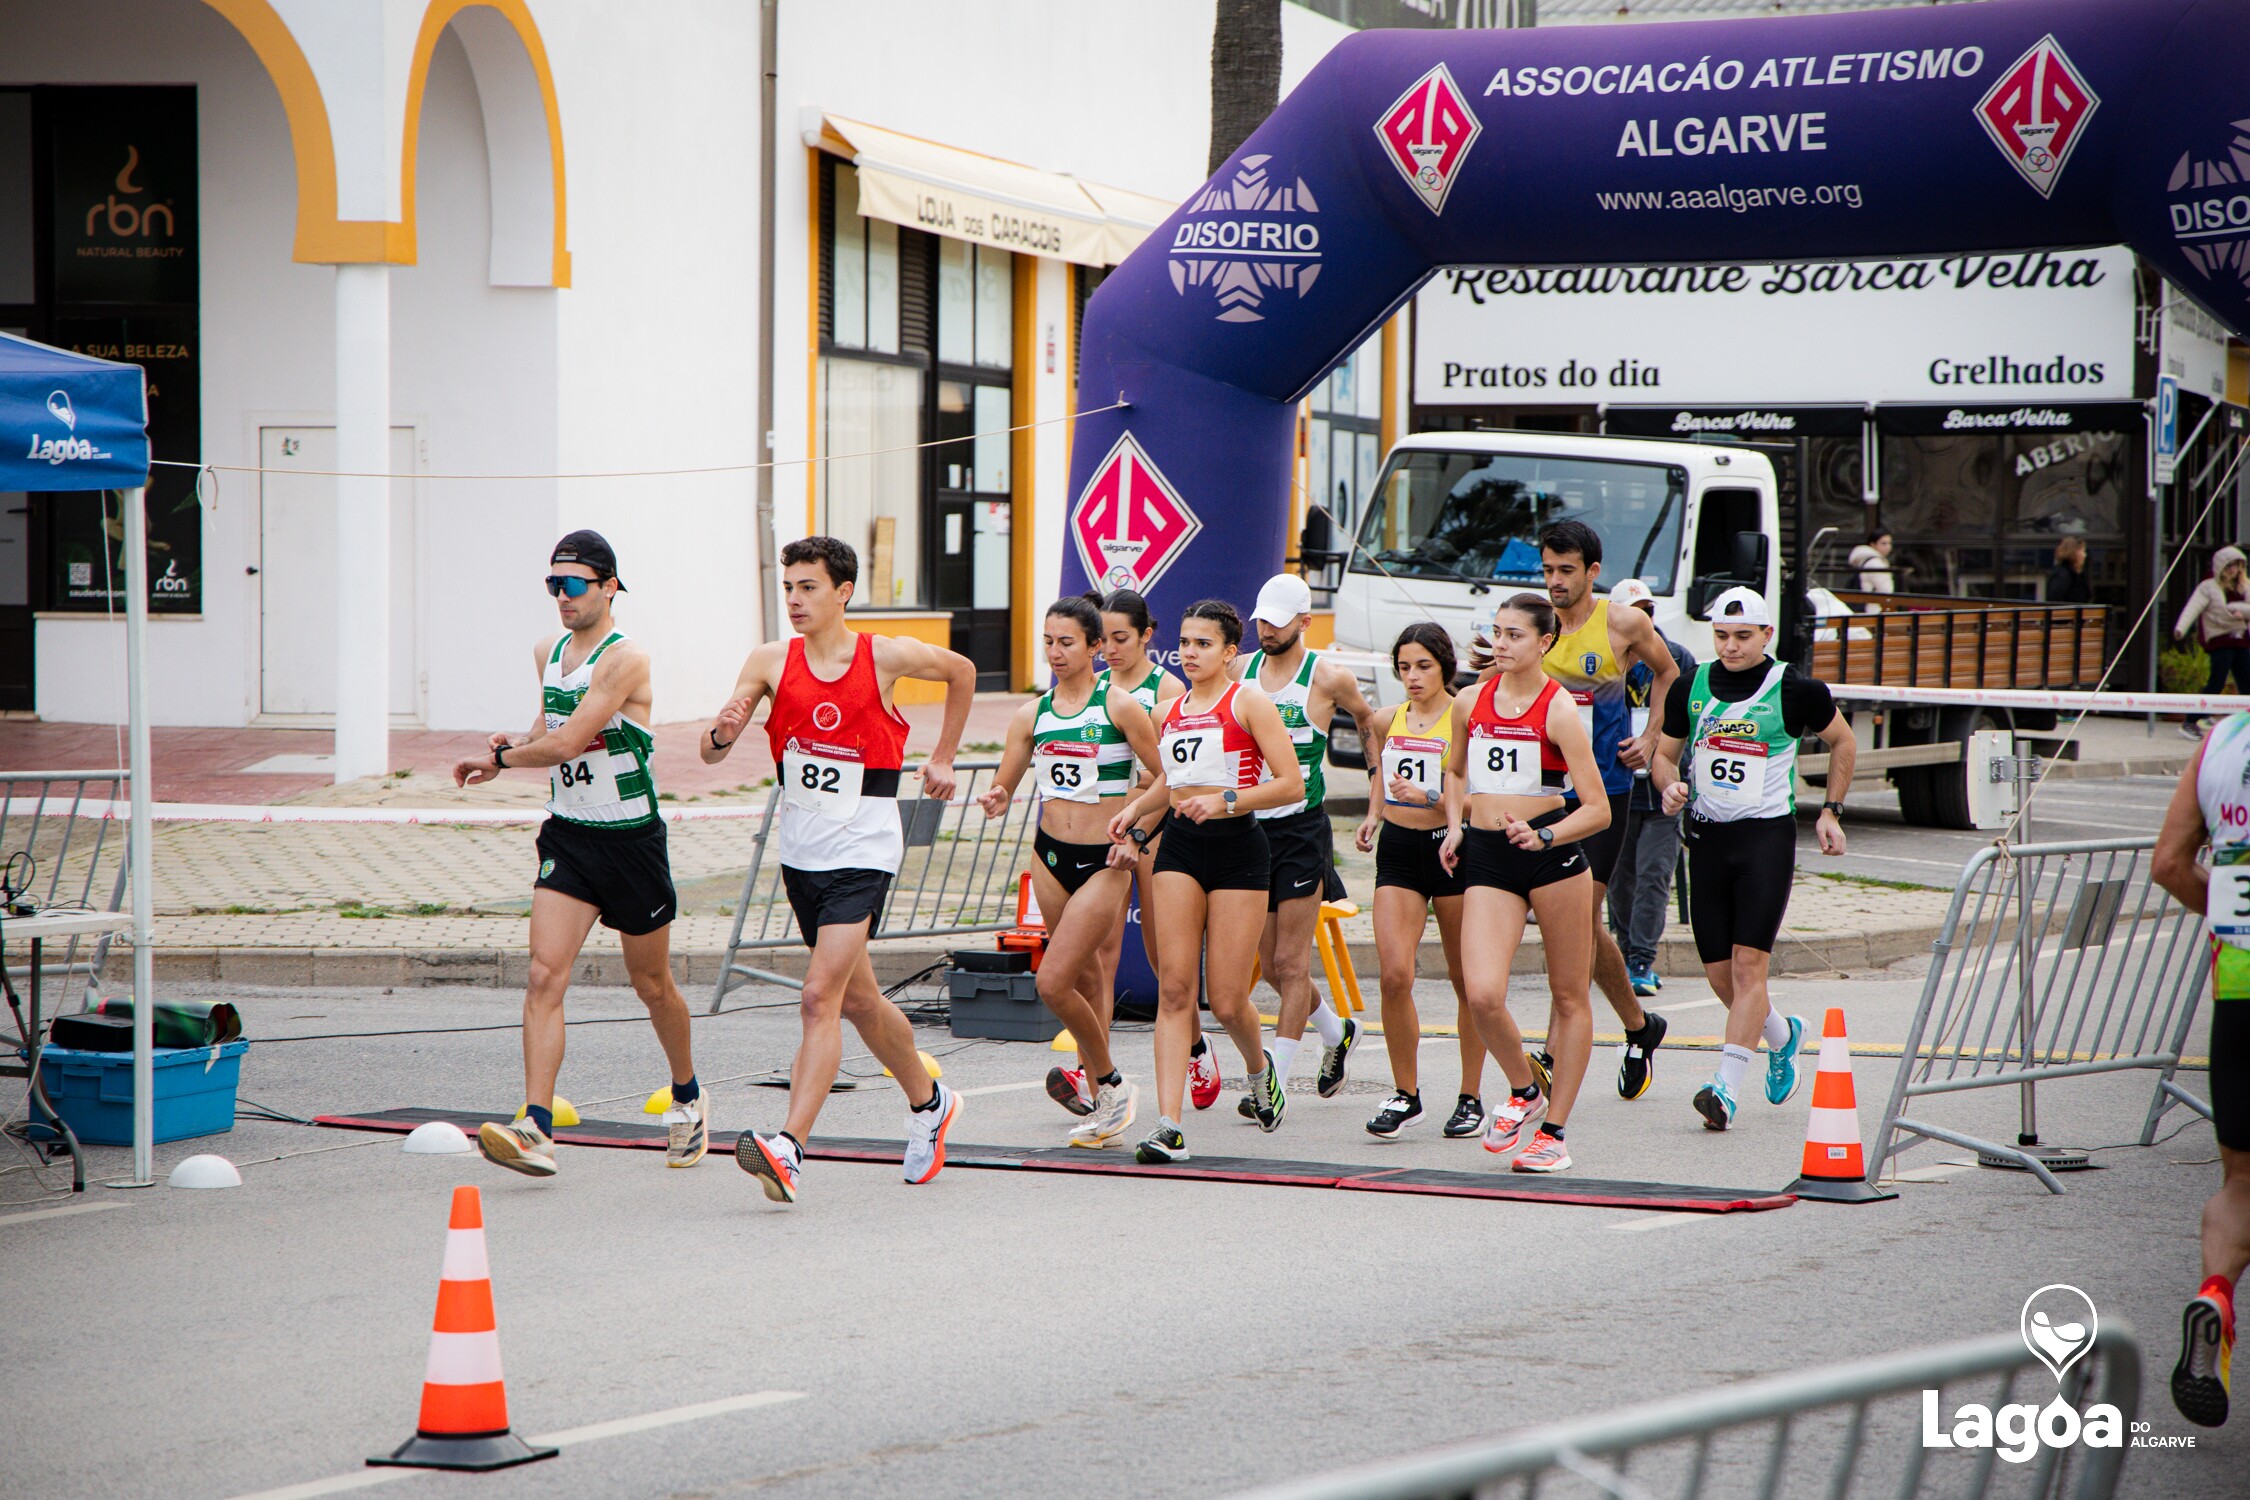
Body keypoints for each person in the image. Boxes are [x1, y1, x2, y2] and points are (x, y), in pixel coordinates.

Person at [707, 536, 977, 1204]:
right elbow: (713, 755)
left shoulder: (885, 655)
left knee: (817, 997)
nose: (794, 600)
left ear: (843, 591)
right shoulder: (770, 660)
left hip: (865, 847)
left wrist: (942, 757)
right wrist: (723, 728)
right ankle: (930, 1101)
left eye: (808, 587)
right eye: (788, 587)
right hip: (802, 852)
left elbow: (964, 671)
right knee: (858, 1000)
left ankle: (790, 1148)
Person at [457, 531, 706, 1179]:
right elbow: (547, 726)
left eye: (572, 586)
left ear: (608, 587)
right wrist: (502, 752)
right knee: (544, 974)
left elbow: (569, 743)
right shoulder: (549, 651)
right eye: (552, 586)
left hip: (631, 842)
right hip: (570, 835)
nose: (560, 598)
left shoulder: (627, 661)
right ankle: (535, 1125)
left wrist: (512, 759)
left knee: (652, 985)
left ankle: (687, 1095)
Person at [1650, 586, 1856, 1132]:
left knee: (1748, 969)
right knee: (1722, 976)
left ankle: (1725, 1089)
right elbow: (1664, 757)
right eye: (1721, 636)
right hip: (1709, 841)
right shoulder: (1690, 686)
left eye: (1743, 636)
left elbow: (1844, 742)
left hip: (1765, 839)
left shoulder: (1794, 687)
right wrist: (1669, 786)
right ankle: (1783, 1037)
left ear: (1766, 635)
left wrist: (1831, 811)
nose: (1731, 646)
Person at [1107, 600, 1304, 1164]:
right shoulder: (1168, 710)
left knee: (1227, 996)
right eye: (1186, 643)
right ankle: (1169, 1125)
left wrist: (1228, 800)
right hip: (1181, 851)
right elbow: (1171, 780)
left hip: (1240, 849)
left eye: (1204, 645)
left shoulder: (1249, 702)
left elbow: (1290, 784)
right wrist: (1135, 813)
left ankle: (1259, 1071)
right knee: (1174, 989)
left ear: (1228, 652)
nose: (1191, 654)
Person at [977, 598, 1161, 1147]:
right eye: (1049, 641)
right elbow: (1006, 783)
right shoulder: (1031, 715)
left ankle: (1111, 1084)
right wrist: (995, 795)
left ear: (1095, 647)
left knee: (1051, 980)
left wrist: (1136, 834)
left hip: (1105, 859)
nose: (1056, 653)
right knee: (1084, 978)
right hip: (1050, 855)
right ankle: (1100, 1094)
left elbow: (1167, 779)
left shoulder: (1122, 707)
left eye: (1068, 642)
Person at [1440, 593, 1610, 1173]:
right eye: (1496, 633)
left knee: (1569, 997)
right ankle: (1524, 1089)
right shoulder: (1469, 700)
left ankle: (1555, 1134)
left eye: (1515, 635)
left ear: (1544, 642)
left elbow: (1597, 808)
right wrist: (1456, 823)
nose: (1502, 644)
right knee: (1482, 993)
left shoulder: (1559, 710)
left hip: (1550, 857)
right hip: (1489, 855)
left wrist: (1544, 838)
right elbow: (1458, 769)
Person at [1525, 519, 1679, 1099]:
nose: (1555, 582)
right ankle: (1641, 1027)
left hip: (1604, 794)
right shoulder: (1535, 624)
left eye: (1566, 571)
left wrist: (1652, 738)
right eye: (1547, 571)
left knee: (1572, 922)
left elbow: (1668, 674)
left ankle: (1545, 1058)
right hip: (1543, 792)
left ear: (1592, 572)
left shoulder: (1621, 622)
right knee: (1584, 926)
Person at [1235, 572, 1379, 1113]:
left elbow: (1367, 723)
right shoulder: (1241, 671)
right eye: (1261, 621)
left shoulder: (1328, 677)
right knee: (1271, 967)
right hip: (1251, 830)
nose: (1266, 630)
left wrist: (1375, 802)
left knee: (1292, 965)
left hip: (1301, 828)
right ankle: (1337, 1030)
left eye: (1276, 621)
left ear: (1304, 622)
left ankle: (1273, 1085)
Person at [1084, 590, 1224, 1111]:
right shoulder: (1095, 686)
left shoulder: (1165, 687)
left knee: (1163, 957)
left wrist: (1145, 813)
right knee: (1100, 954)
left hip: (1157, 828)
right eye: (1102, 641)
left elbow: (1176, 774)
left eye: (1121, 638)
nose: (1110, 650)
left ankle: (1194, 1047)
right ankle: (1095, 1076)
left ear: (1146, 635)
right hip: (1108, 827)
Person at [2150, 714, 2250, 1428]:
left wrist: (2226, 916)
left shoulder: (2221, 743)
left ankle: (2215, 1294)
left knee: (2240, 1182)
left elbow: (2168, 865)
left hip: (2240, 987)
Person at [1354, 622, 1488, 1140]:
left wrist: (1430, 797)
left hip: (1453, 850)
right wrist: (1373, 814)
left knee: (1466, 982)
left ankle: (1470, 1096)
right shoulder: (1387, 719)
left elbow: (1483, 799)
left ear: (1445, 666)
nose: (1412, 677)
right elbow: (1381, 777)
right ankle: (1406, 1094)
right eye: (1404, 667)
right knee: (1394, 976)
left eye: (1423, 666)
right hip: (1400, 852)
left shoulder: (1467, 717)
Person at [1604, 578, 1696, 997]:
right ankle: (1624, 953)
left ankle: (1641, 958)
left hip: (1662, 785)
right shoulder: (1606, 658)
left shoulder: (1676, 658)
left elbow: (1693, 721)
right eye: (1633, 611)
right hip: (1618, 783)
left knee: (1654, 872)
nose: (1643, 619)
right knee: (1619, 878)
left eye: (1649, 610)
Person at [2175, 545, 2250, 739]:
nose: (2234, 569)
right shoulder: (2208, 587)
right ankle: (2190, 721)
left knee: (2247, 683)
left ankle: (2244, 724)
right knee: (2216, 682)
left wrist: (2242, 610)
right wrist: (2180, 629)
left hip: (2241, 640)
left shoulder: (2246, 587)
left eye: (2238, 565)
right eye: (2230, 565)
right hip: (2220, 640)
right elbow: (2192, 608)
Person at [2048, 533, 2095, 605]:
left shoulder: (2078, 575)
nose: (2085, 555)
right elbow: (2055, 601)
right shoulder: (2062, 575)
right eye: (2083, 551)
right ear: (2074, 552)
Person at [1846, 529, 1895, 595]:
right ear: (1873, 544)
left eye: (1889, 543)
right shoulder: (1875, 563)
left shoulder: (1865, 559)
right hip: (1873, 603)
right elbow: (1886, 590)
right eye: (1883, 543)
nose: (1888, 547)